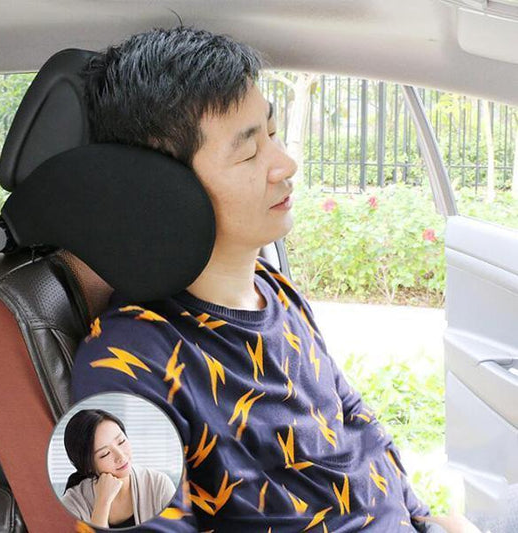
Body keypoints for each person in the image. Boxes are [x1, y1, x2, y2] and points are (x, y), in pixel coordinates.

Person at [70, 27, 479, 532]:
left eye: (272, 132)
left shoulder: (274, 291)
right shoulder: (129, 361)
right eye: (248, 152)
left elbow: (355, 424)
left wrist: (426, 520)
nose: (285, 164)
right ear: (162, 187)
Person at [61, 409, 176, 528]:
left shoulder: (159, 486)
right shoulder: (72, 504)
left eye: (121, 442)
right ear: (89, 466)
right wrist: (102, 503)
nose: (121, 456)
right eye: (105, 454)